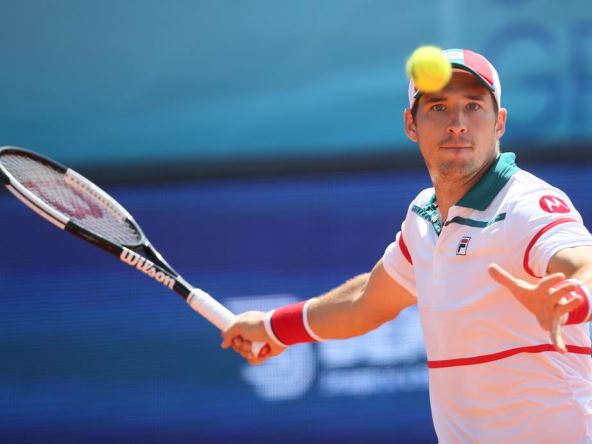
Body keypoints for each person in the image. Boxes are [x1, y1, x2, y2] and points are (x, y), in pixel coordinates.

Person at [221, 49, 592, 443]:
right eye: (438, 107)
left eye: (473, 106)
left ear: (499, 122)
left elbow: (582, 261)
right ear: (411, 124)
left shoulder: (525, 204)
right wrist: (274, 328)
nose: (457, 124)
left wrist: (574, 297)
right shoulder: (424, 216)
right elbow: (366, 301)